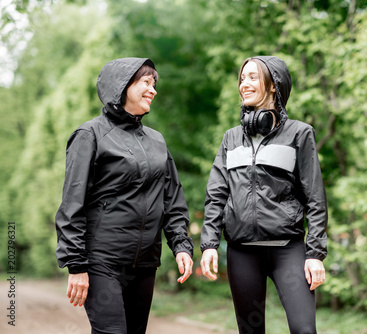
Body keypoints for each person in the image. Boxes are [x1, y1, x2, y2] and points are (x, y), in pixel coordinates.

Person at [55, 57, 194, 334]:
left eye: (154, 84)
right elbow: (73, 203)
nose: (153, 89)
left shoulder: (157, 141)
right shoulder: (90, 135)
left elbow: (172, 200)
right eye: (146, 82)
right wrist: (76, 264)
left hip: (144, 263)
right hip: (101, 261)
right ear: (121, 86)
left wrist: (181, 245)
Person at [200, 56, 328, 334]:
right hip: (242, 252)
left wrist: (315, 253)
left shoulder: (299, 134)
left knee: (304, 329)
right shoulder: (231, 138)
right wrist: (209, 243)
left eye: (252, 77)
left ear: (273, 86)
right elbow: (216, 195)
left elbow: (315, 198)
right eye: (242, 79)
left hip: (288, 249)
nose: (244, 84)